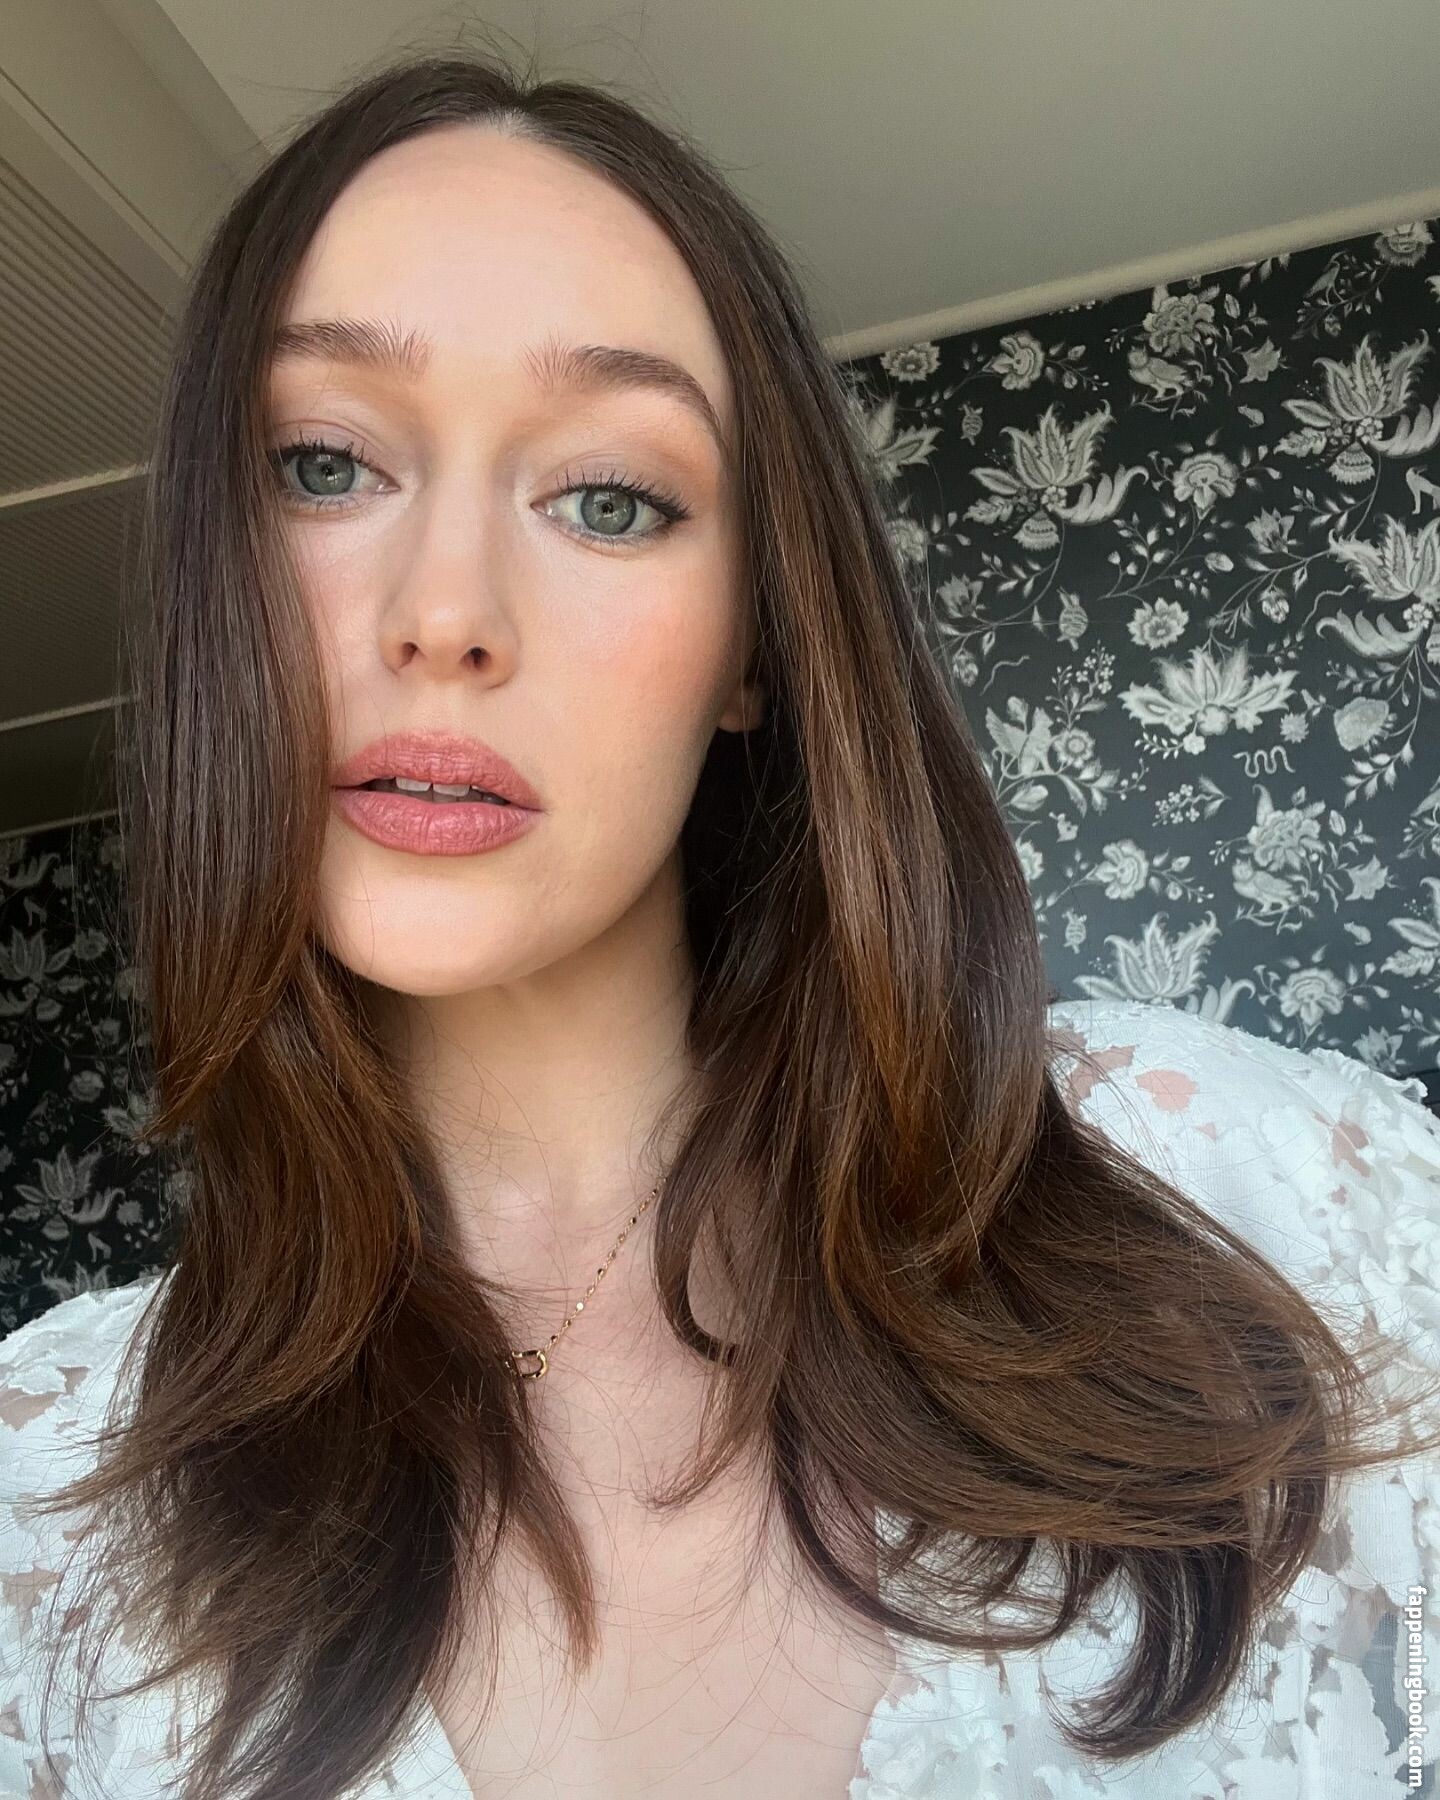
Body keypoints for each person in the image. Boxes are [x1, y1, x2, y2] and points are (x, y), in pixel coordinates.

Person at [1, 46, 1437, 1800]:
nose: (444, 611)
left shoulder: (1273, 1201)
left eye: (609, 498)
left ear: (750, 649)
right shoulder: (44, 1506)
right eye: (320, 462)